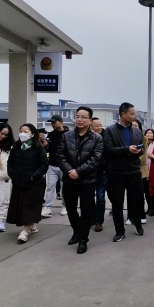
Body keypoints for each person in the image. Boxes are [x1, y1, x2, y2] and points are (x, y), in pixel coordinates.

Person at [55, 106, 103, 254]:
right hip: (69, 179)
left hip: (87, 180)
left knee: (86, 210)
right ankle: (76, 231)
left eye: (83, 117)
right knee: (70, 208)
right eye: (77, 116)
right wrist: (70, 171)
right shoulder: (66, 136)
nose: (80, 119)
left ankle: (83, 239)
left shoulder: (97, 138)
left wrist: (79, 171)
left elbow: (95, 159)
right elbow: (60, 156)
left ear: (90, 120)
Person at [103, 102, 145, 241]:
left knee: (137, 200)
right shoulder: (110, 130)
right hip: (116, 172)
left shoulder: (137, 131)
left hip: (134, 171)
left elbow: (143, 149)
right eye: (131, 114)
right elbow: (108, 149)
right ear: (122, 114)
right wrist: (127, 149)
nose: (134, 116)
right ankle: (120, 231)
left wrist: (139, 151)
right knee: (117, 203)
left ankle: (137, 224)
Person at [7, 123, 49, 243]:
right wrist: (12, 175)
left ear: (32, 134)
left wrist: (33, 176)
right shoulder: (16, 147)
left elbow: (44, 164)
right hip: (19, 182)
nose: (22, 134)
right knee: (21, 206)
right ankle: (32, 225)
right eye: (21, 131)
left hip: (34, 183)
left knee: (29, 207)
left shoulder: (38, 147)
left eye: (25, 131)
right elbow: (10, 163)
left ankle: (25, 231)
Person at [42, 115, 68, 218]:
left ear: (61, 122)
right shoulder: (50, 135)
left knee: (64, 187)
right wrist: (45, 145)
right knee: (50, 187)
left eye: (54, 122)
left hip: (64, 165)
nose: (52, 124)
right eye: (51, 122)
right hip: (52, 165)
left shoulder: (68, 134)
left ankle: (64, 206)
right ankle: (47, 207)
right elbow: (48, 149)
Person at [91, 117, 108, 232]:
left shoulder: (106, 137)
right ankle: (91, 217)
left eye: (100, 125)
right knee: (89, 197)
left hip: (103, 172)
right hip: (89, 172)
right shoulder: (88, 137)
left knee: (100, 198)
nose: (99, 127)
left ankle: (99, 221)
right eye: (96, 125)